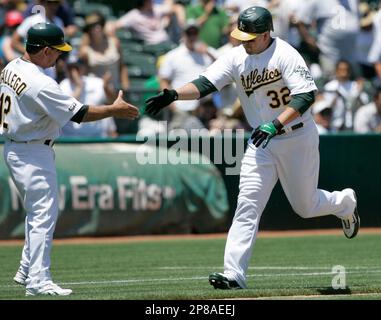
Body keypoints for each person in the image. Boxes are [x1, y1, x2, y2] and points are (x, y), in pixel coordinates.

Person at [144, 6, 360, 290]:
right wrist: (174, 94)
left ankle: (345, 203)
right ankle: (234, 274)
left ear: (267, 32)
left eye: (250, 36)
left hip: (296, 137)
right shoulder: (236, 57)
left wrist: (276, 124)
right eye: (242, 35)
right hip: (262, 142)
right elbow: (206, 83)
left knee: (305, 207)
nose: (245, 41)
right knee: (248, 203)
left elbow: (306, 96)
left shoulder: (286, 54)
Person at [0, 22, 139, 296]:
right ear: (46, 51)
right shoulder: (40, 82)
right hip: (31, 150)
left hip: (18, 146)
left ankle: (26, 268)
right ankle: (38, 280)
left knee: (37, 212)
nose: (60, 57)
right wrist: (114, 109)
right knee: (42, 214)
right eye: (58, 52)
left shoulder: (11, 66)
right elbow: (80, 114)